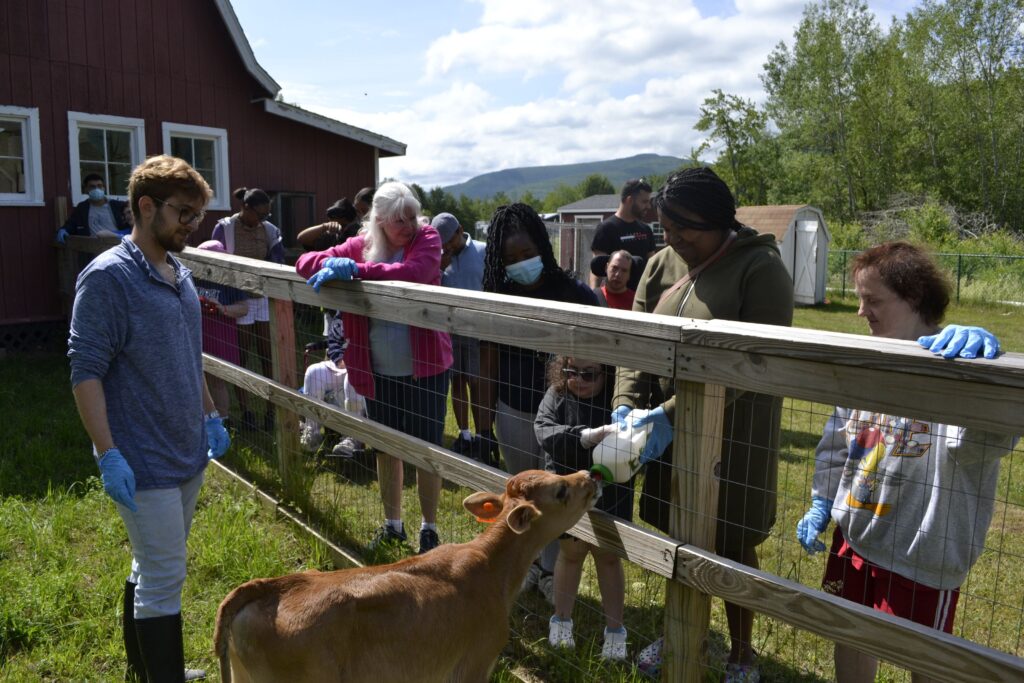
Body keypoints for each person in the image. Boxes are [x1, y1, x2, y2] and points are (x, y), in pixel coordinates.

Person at [795, 241, 1013, 683]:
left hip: (920, 558)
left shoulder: (953, 372)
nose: (860, 312)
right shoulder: (865, 365)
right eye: (859, 299)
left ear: (913, 298)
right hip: (855, 536)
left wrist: (987, 380)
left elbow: (985, 442)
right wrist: (823, 501)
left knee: (926, 661)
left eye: (872, 300)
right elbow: (838, 441)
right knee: (851, 636)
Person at [612, 167, 794, 681]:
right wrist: (627, 401)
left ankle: (741, 651)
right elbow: (637, 340)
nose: (674, 240)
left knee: (734, 542)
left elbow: (754, 364)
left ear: (716, 220)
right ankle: (682, 635)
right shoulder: (660, 264)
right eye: (666, 229)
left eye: (683, 229)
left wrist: (671, 416)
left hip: (737, 436)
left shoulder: (761, 272)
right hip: (666, 432)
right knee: (679, 535)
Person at [67, 155, 230, 682]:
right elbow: (85, 371)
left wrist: (210, 415)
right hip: (142, 458)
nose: (191, 224)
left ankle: (147, 671)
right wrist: (109, 453)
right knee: (164, 577)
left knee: (150, 566)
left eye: (198, 216)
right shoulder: (109, 278)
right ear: (145, 206)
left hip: (185, 450)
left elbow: (189, 352)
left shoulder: (177, 271)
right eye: (184, 213)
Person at [296, 181, 452, 555]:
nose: (409, 225)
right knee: (385, 448)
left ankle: (429, 527)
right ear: (379, 221)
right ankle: (393, 524)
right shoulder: (361, 245)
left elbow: (414, 273)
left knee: (427, 450)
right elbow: (303, 262)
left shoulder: (426, 239)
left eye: (412, 216)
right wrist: (330, 263)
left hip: (426, 367)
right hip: (376, 369)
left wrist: (358, 272)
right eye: (399, 220)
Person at [478, 203, 599, 600]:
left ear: (542, 248)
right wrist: (483, 419)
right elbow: (487, 358)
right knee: (527, 495)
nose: (520, 263)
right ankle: (531, 565)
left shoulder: (573, 292)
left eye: (527, 254)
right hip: (512, 408)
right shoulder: (496, 294)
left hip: (566, 418)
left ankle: (554, 572)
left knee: (560, 497)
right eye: (510, 258)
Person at [535, 356, 632, 661]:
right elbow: (543, 430)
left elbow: (633, 444)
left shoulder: (618, 400)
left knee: (608, 558)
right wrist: (584, 437)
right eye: (570, 372)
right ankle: (562, 620)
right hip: (568, 496)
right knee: (571, 554)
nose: (578, 380)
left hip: (611, 495)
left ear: (608, 373)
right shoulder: (557, 394)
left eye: (589, 374)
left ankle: (615, 631)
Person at [211, 187, 285, 432]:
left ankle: (271, 411)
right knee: (241, 356)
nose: (264, 220)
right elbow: (215, 261)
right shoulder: (225, 229)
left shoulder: (270, 231)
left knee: (267, 354)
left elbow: (278, 261)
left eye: (267, 215)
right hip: (237, 299)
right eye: (260, 214)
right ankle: (246, 412)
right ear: (246, 208)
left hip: (262, 297)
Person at [432, 212, 492, 460]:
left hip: (478, 331)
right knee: (456, 382)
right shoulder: (438, 258)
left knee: (477, 383)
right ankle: (464, 435)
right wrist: (439, 266)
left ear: (460, 231)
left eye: (449, 240)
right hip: (450, 331)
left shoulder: (483, 251)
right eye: (441, 243)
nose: (446, 246)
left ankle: (482, 437)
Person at [298, 311, 366, 458]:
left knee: (352, 378)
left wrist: (354, 362)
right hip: (341, 363)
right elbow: (333, 340)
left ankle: (354, 439)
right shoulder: (342, 313)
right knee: (314, 372)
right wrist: (340, 360)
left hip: (365, 366)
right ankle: (312, 432)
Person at [195, 240, 249, 416]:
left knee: (217, 379)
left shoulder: (229, 280)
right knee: (197, 378)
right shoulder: (192, 276)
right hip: (198, 333)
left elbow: (244, 307)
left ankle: (222, 420)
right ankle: (203, 419)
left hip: (220, 334)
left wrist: (223, 309)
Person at [589, 178, 656, 287]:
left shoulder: (646, 230)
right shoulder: (606, 228)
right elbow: (597, 270)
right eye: (644, 202)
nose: (648, 206)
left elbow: (653, 267)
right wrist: (594, 297)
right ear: (629, 200)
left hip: (640, 298)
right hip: (614, 298)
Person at [56, 173, 133, 242]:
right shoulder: (82, 208)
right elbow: (71, 223)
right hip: (92, 248)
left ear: (104, 188)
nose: (97, 189)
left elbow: (132, 222)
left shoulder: (117, 205)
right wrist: (64, 230)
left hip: (116, 245)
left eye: (99, 186)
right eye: (92, 187)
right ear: (86, 189)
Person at [296, 198, 362, 252]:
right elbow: (302, 238)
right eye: (341, 227)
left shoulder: (359, 233)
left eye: (345, 226)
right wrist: (324, 226)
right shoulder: (333, 237)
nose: (344, 230)